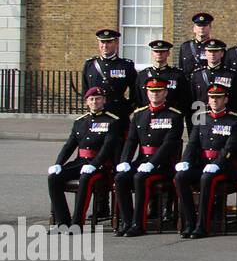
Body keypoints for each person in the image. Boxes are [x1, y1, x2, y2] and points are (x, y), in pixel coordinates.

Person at [112, 78, 184, 236]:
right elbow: (131, 141)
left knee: (140, 178)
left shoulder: (174, 116)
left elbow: (169, 145)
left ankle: (139, 224)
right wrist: (124, 161)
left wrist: (152, 163)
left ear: (165, 92)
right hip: (142, 160)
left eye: (158, 91)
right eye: (152, 91)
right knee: (120, 178)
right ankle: (127, 221)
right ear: (147, 92)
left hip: (162, 164)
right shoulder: (139, 115)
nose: (155, 94)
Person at [176, 84, 237, 239]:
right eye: (212, 98)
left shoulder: (235, 121)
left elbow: (231, 148)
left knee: (207, 179)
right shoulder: (202, 118)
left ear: (226, 99)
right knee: (180, 177)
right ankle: (190, 222)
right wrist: (186, 160)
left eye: (218, 98)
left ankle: (202, 226)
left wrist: (217, 163)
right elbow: (193, 143)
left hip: (224, 167)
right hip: (202, 164)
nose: (215, 101)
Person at [48, 87, 121, 228]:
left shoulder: (112, 121)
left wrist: (95, 164)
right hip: (81, 162)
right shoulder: (80, 122)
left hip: (100, 165)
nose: (95, 102)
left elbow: (107, 147)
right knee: (53, 178)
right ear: (87, 102)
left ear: (104, 100)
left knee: (85, 179)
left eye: (98, 98)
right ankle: (63, 222)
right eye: (91, 99)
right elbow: (69, 145)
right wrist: (58, 163)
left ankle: (77, 224)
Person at [82, 28, 136, 119]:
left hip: (118, 112)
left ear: (116, 43)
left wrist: (128, 108)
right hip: (96, 114)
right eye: (102, 42)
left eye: (109, 42)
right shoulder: (90, 65)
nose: (105, 45)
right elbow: (85, 91)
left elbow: (135, 91)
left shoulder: (125, 65)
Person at [179, 12, 215, 77]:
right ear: (194, 29)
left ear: (210, 28)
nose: (202, 28)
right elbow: (181, 70)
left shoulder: (215, 47)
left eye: (205, 25)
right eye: (199, 25)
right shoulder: (185, 47)